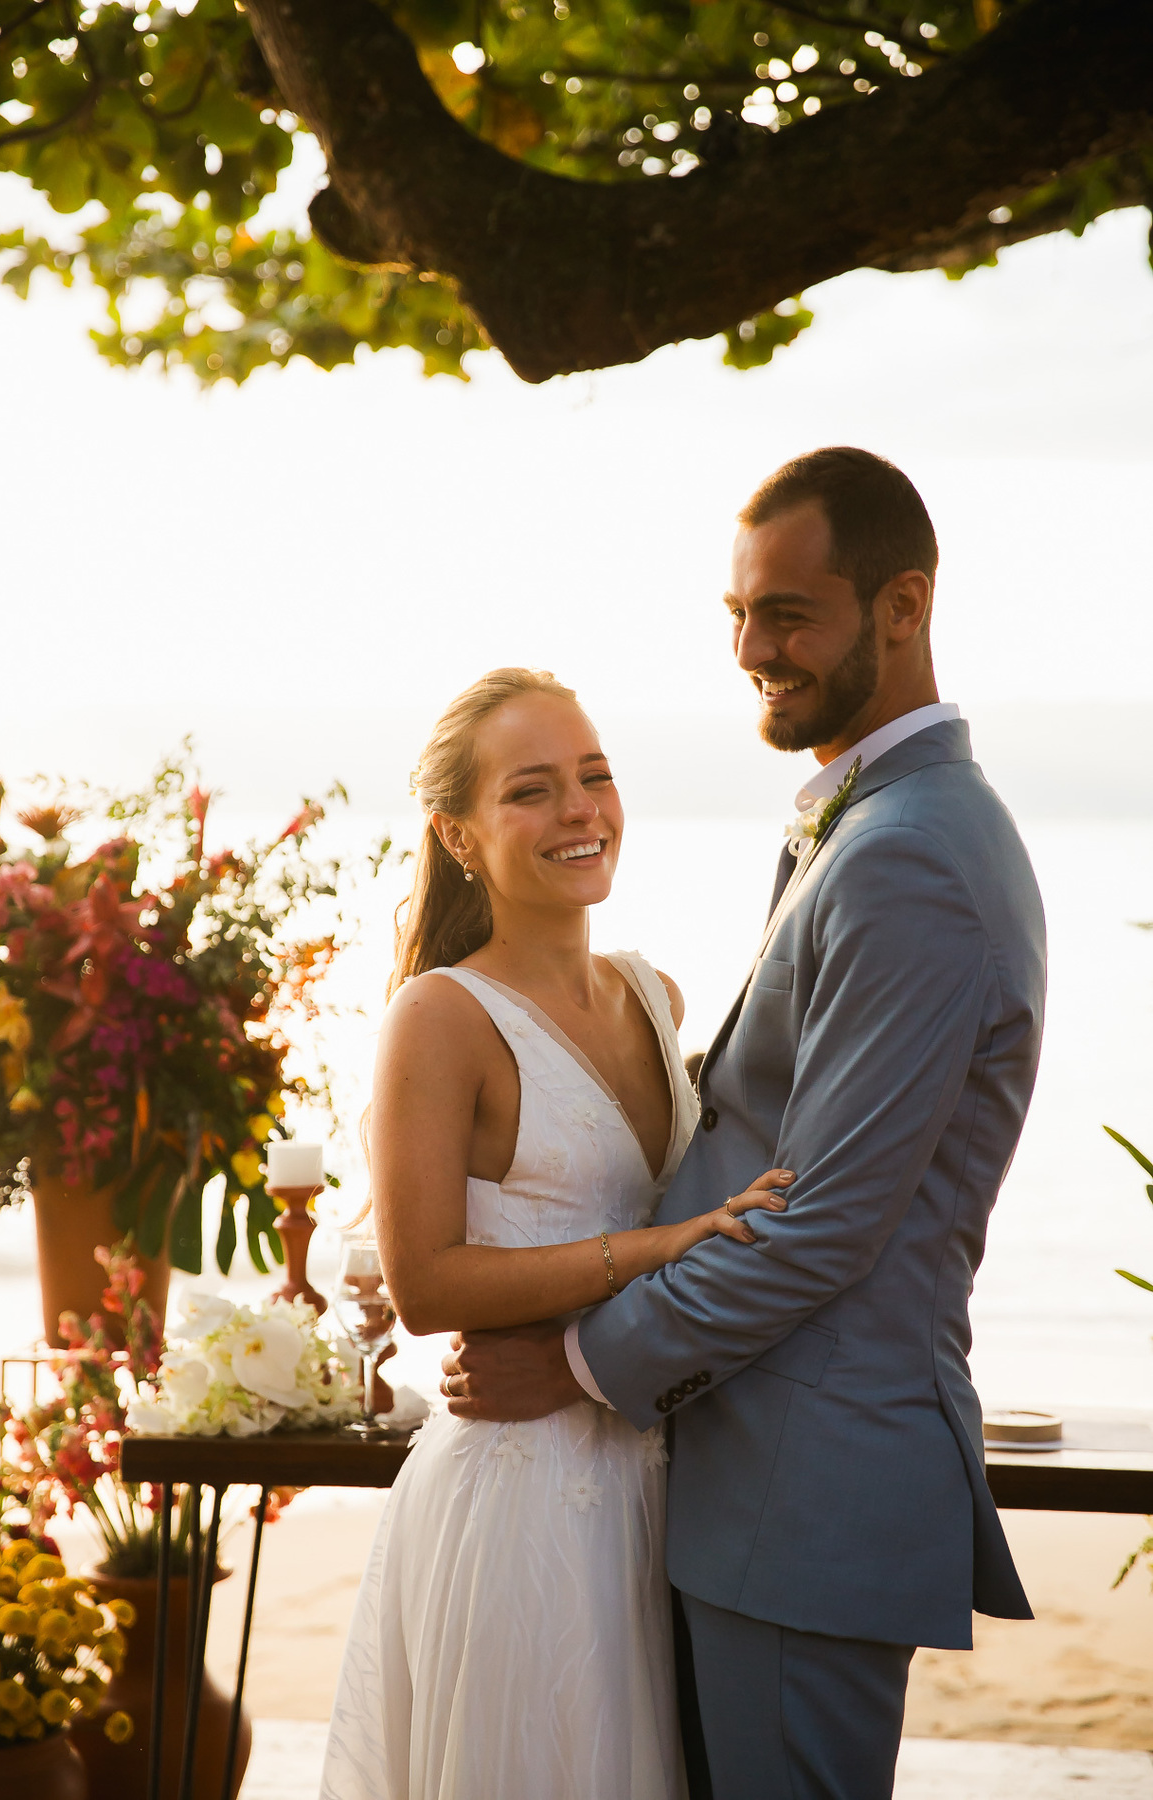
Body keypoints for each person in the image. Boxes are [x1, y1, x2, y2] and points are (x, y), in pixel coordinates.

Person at [441, 448, 1048, 1800]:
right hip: (751, 1484)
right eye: (736, 614)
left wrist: (582, 1364)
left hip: (806, 1492)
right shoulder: (874, 825)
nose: (751, 649)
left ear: (904, 604)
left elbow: (822, 1224)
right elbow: (759, 1120)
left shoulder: (912, 860)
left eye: (788, 613)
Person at [320, 665, 793, 1800]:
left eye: (595, 776)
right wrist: (659, 1252)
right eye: (531, 789)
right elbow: (424, 1281)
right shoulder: (440, 1017)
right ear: (462, 834)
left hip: (655, 1470)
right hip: (517, 1495)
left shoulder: (657, 995)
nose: (581, 809)